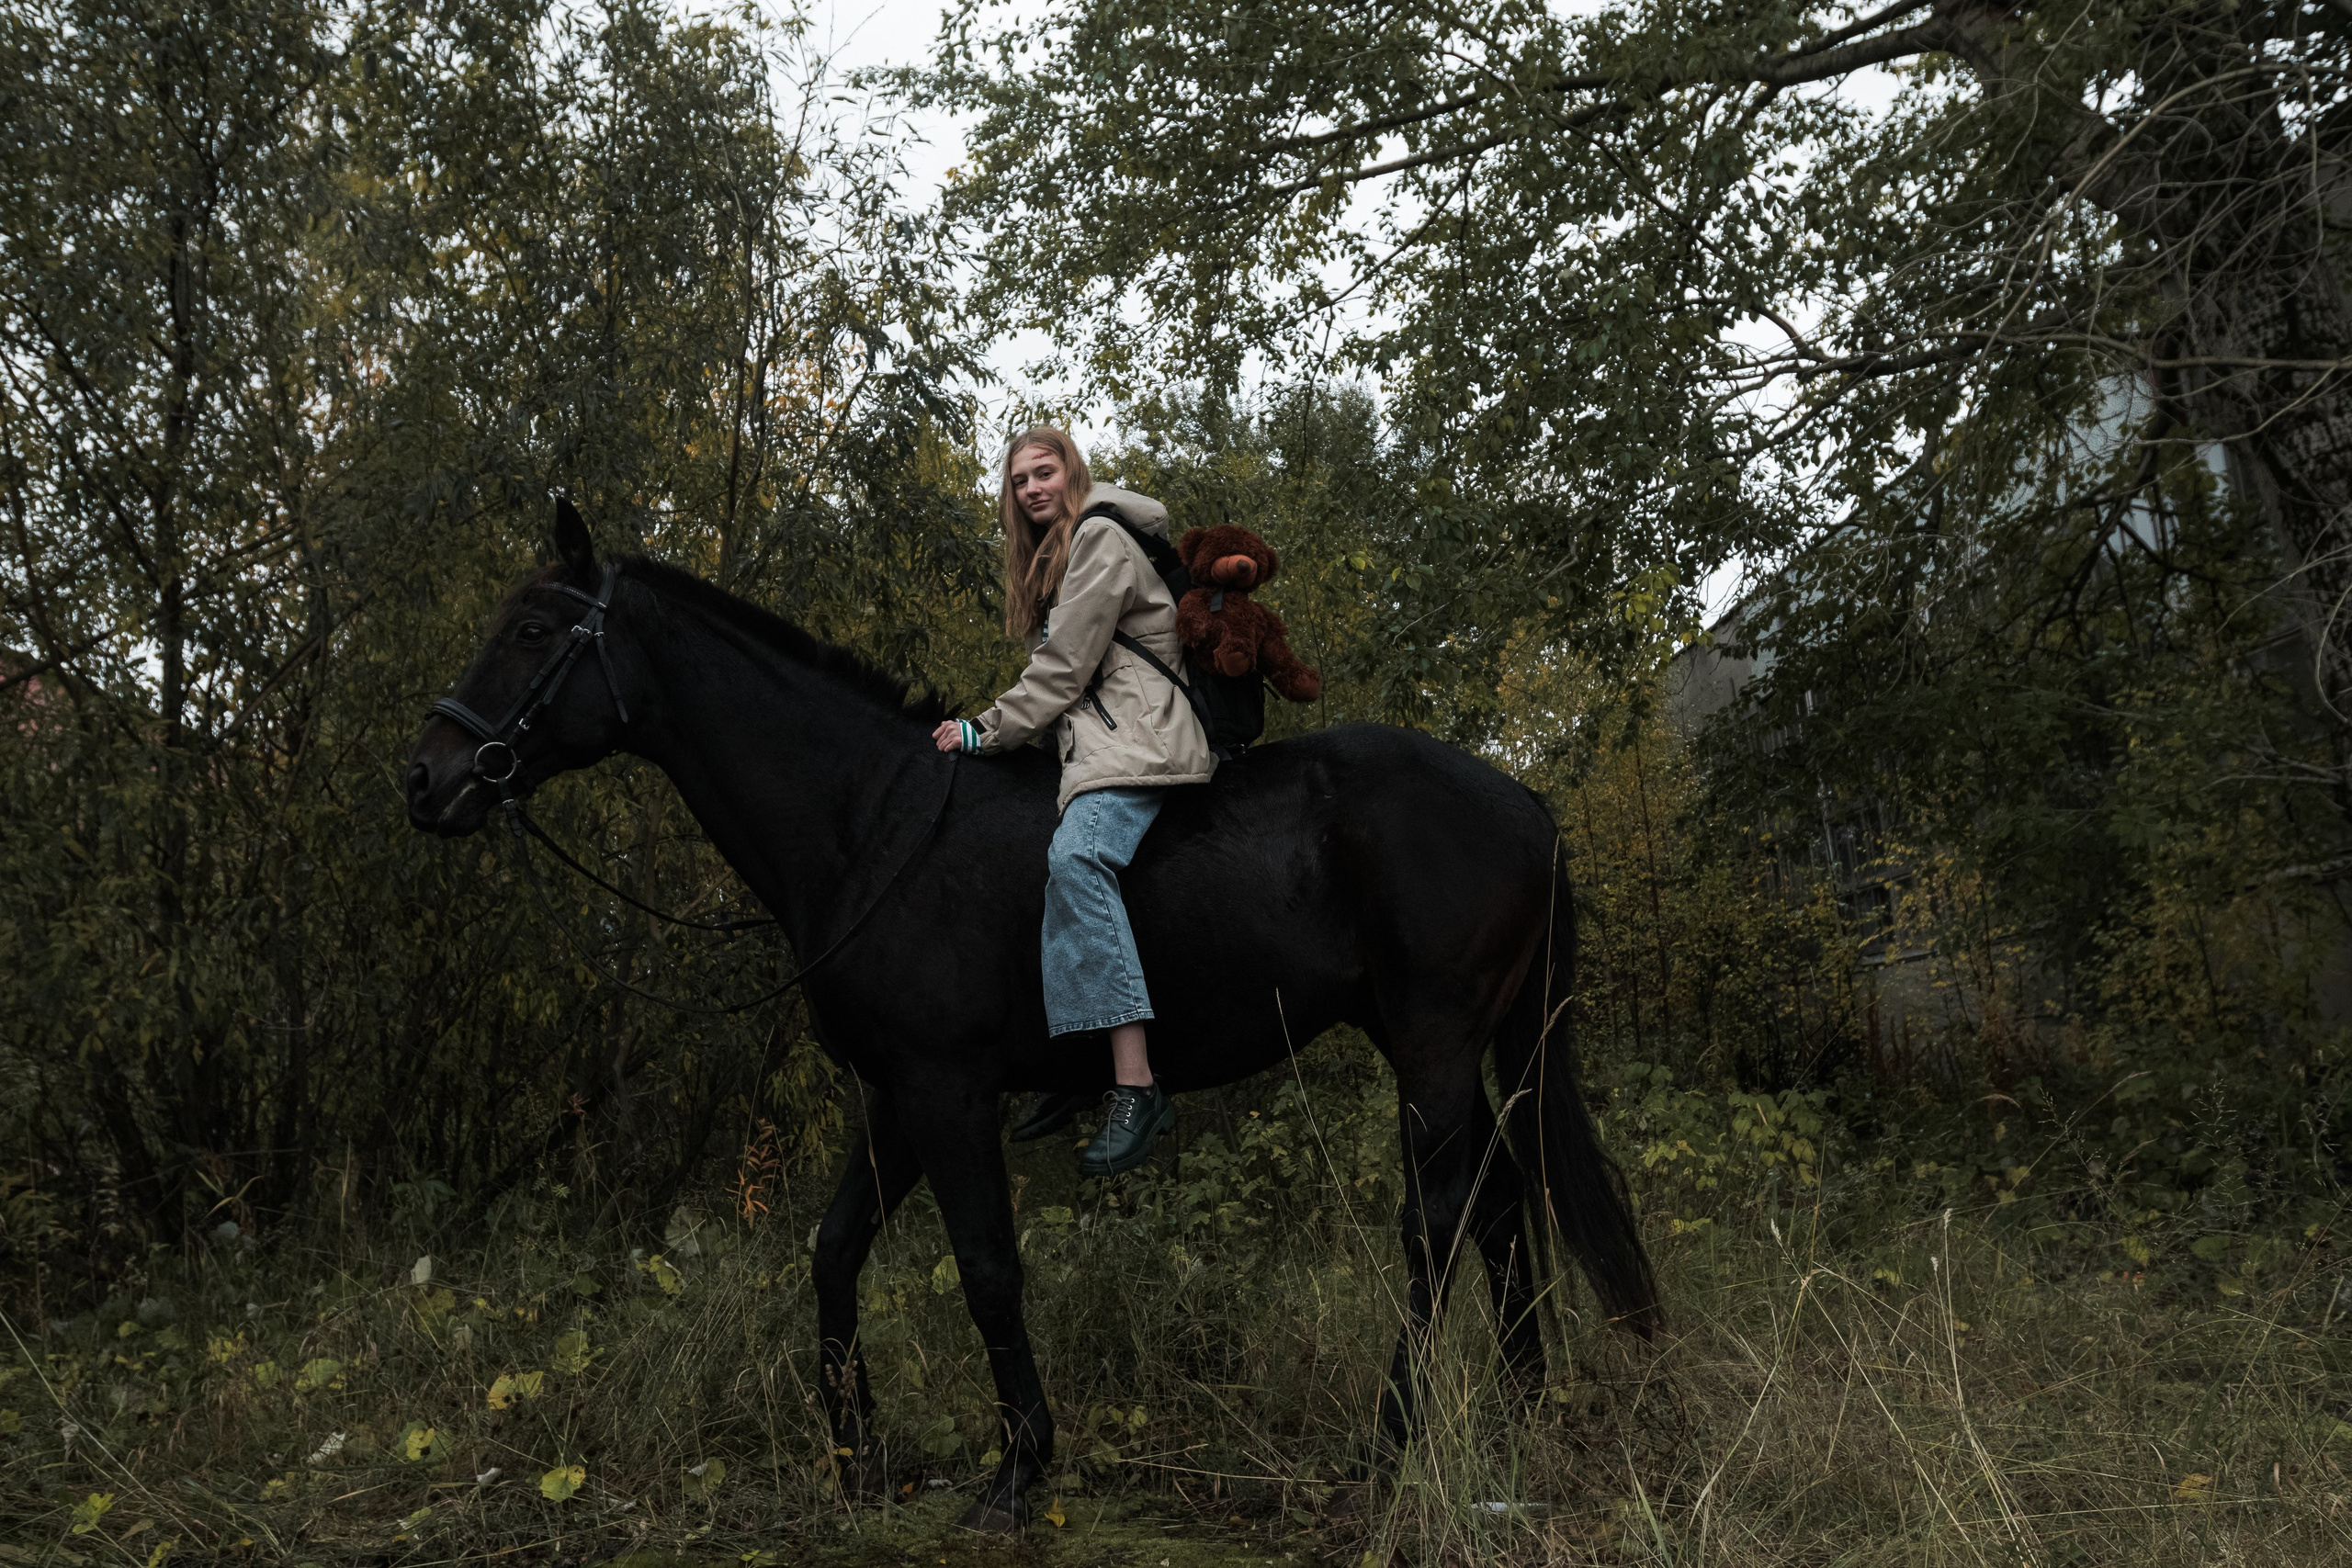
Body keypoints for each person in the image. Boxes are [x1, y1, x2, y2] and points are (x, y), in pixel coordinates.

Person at [933, 427, 1216, 1175]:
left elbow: (1062, 672)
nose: (1032, 488)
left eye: (1044, 471)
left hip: (1143, 743)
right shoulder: (1065, 554)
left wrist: (979, 729)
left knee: (1078, 857)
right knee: (1033, 864)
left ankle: (1135, 1085)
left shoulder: (1098, 538)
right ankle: (1077, 1066)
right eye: (1020, 479)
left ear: (1072, 472)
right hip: (1103, 745)